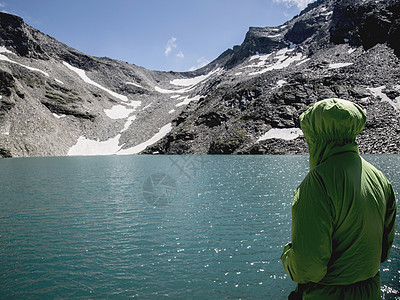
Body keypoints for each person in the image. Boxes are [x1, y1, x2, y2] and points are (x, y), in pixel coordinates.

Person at [281, 98, 397, 299]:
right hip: (370, 292)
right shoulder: (379, 177)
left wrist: (287, 256)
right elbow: (384, 252)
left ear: (315, 135)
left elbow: (308, 268)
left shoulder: (318, 182)